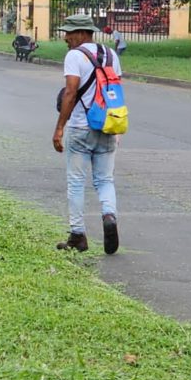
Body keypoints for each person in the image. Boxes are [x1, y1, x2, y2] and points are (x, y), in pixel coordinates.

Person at [53, 14, 121, 254]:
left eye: (69, 33)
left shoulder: (75, 56)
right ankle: (109, 215)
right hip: (107, 126)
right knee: (105, 180)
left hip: (81, 127)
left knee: (76, 182)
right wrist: (117, 127)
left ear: (82, 33)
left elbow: (70, 93)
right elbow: (115, 90)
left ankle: (78, 235)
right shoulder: (111, 55)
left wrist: (60, 126)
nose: (65, 38)